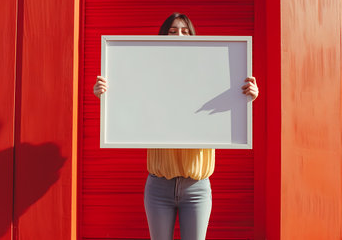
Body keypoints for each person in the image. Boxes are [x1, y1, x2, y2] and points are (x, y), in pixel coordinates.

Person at [93, 12, 258, 240]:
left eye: (184, 31)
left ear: (194, 37)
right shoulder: (150, 75)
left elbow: (228, 106)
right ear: (161, 38)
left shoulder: (211, 74)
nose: (178, 35)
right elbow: (129, 98)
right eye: (172, 31)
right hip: (159, 186)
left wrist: (248, 97)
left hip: (197, 188)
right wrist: (105, 94)